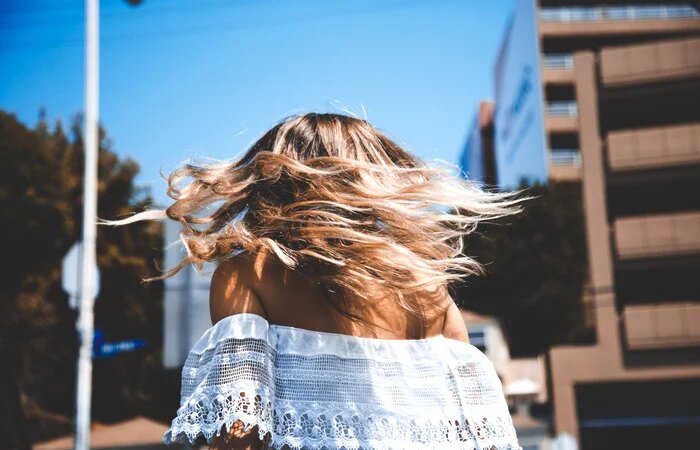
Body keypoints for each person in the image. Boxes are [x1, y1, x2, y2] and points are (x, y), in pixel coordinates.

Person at [106, 113, 524, 449]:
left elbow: (240, 436)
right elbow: (482, 435)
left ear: (272, 182)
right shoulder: (427, 287)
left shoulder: (249, 273)